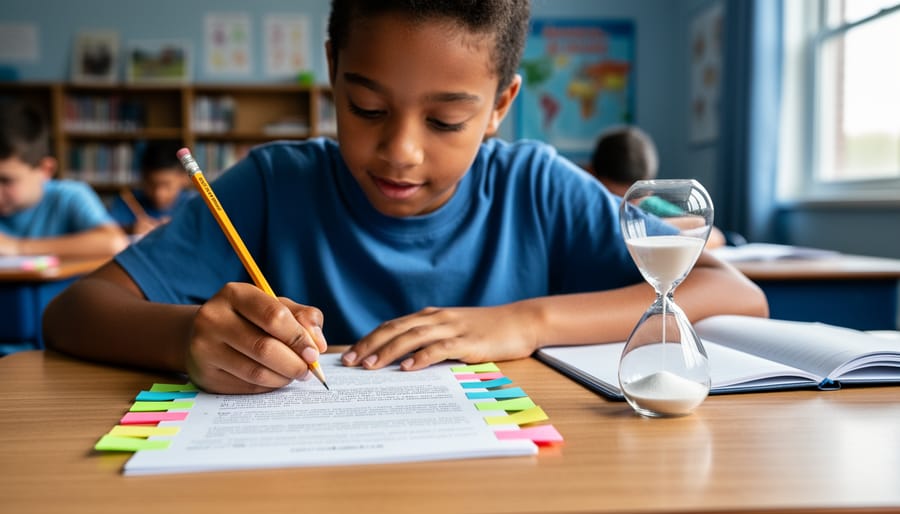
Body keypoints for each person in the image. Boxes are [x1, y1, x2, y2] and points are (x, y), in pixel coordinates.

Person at [43, 0, 767, 395]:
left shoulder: (537, 188)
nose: (401, 151)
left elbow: (732, 291)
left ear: (499, 105)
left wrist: (525, 322)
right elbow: (73, 311)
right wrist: (184, 339)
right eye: (366, 108)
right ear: (333, 70)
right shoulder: (272, 185)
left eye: (447, 121)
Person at [0, 101, 129, 257]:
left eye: (5, 180)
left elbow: (114, 243)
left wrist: (17, 248)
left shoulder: (68, 195)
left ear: (45, 170)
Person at [589, 126, 727, 248]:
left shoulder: (649, 207)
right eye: (616, 198)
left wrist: (655, 228)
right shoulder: (588, 207)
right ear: (593, 176)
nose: (628, 208)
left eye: (633, 199)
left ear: (648, 189)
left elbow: (715, 236)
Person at [108, 140, 194, 236]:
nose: (159, 193)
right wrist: (130, 229)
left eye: (166, 185)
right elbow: (104, 232)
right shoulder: (126, 201)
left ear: (185, 178)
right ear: (142, 177)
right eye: (151, 184)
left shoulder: (194, 205)